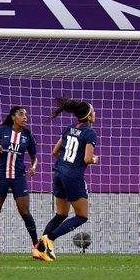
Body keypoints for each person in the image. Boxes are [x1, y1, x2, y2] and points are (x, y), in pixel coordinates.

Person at [0, 107, 47, 260]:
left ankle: (36, 246)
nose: (25, 117)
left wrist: (34, 167)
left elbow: (34, 157)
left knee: (24, 212)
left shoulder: (27, 136)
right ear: (13, 117)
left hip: (19, 177)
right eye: (21, 114)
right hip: (1, 176)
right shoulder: (2, 131)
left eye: (26, 115)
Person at [36, 98, 99, 261]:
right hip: (72, 176)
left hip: (58, 172)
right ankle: (49, 239)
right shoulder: (90, 132)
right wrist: (94, 159)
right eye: (92, 111)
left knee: (61, 213)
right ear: (88, 116)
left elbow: (55, 152)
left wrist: (66, 163)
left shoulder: (69, 129)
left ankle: (39, 249)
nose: (95, 113)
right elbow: (86, 159)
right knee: (82, 216)